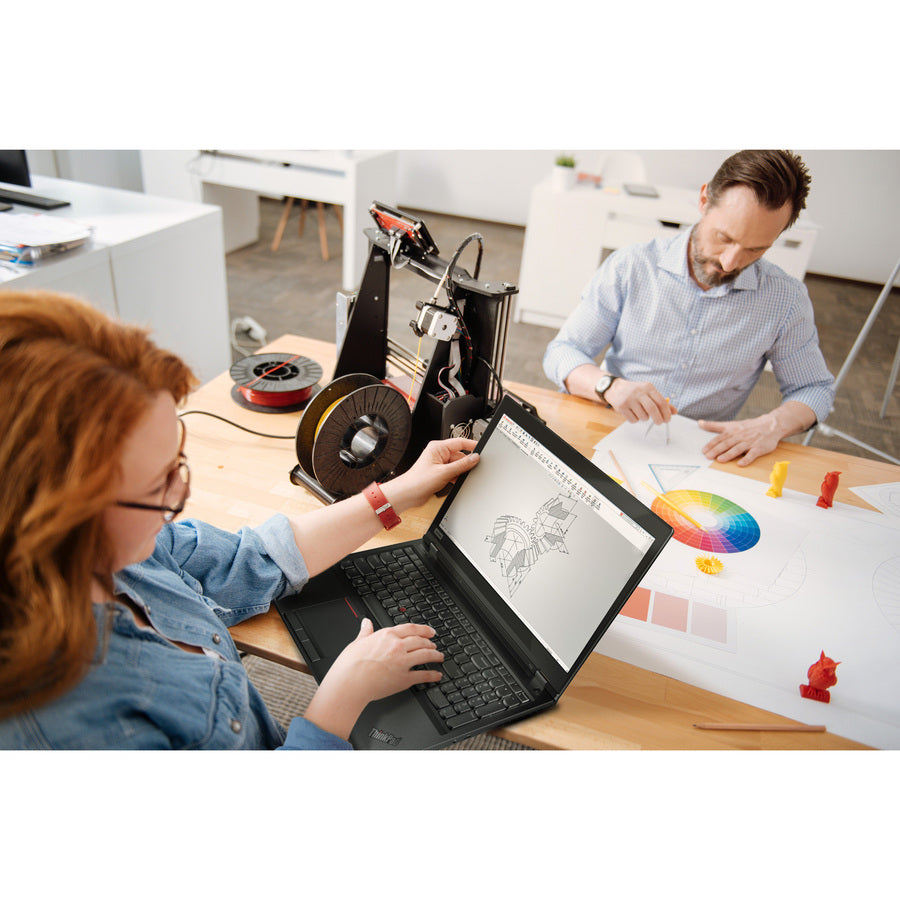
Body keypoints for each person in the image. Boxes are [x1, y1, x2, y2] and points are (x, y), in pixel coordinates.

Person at [0, 289, 480, 750]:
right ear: (57, 517)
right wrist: (342, 696)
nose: (180, 495)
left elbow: (251, 559)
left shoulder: (121, 555)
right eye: (155, 485)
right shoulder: (61, 727)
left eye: (178, 462)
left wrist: (399, 492)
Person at [543, 149, 835, 466]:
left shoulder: (785, 299)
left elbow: (814, 389)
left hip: (701, 456)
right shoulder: (632, 265)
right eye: (724, 238)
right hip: (610, 429)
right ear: (704, 200)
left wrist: (772, 425)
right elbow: (563, 352)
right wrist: (608, 386)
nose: (730, 262)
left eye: (755, 249)